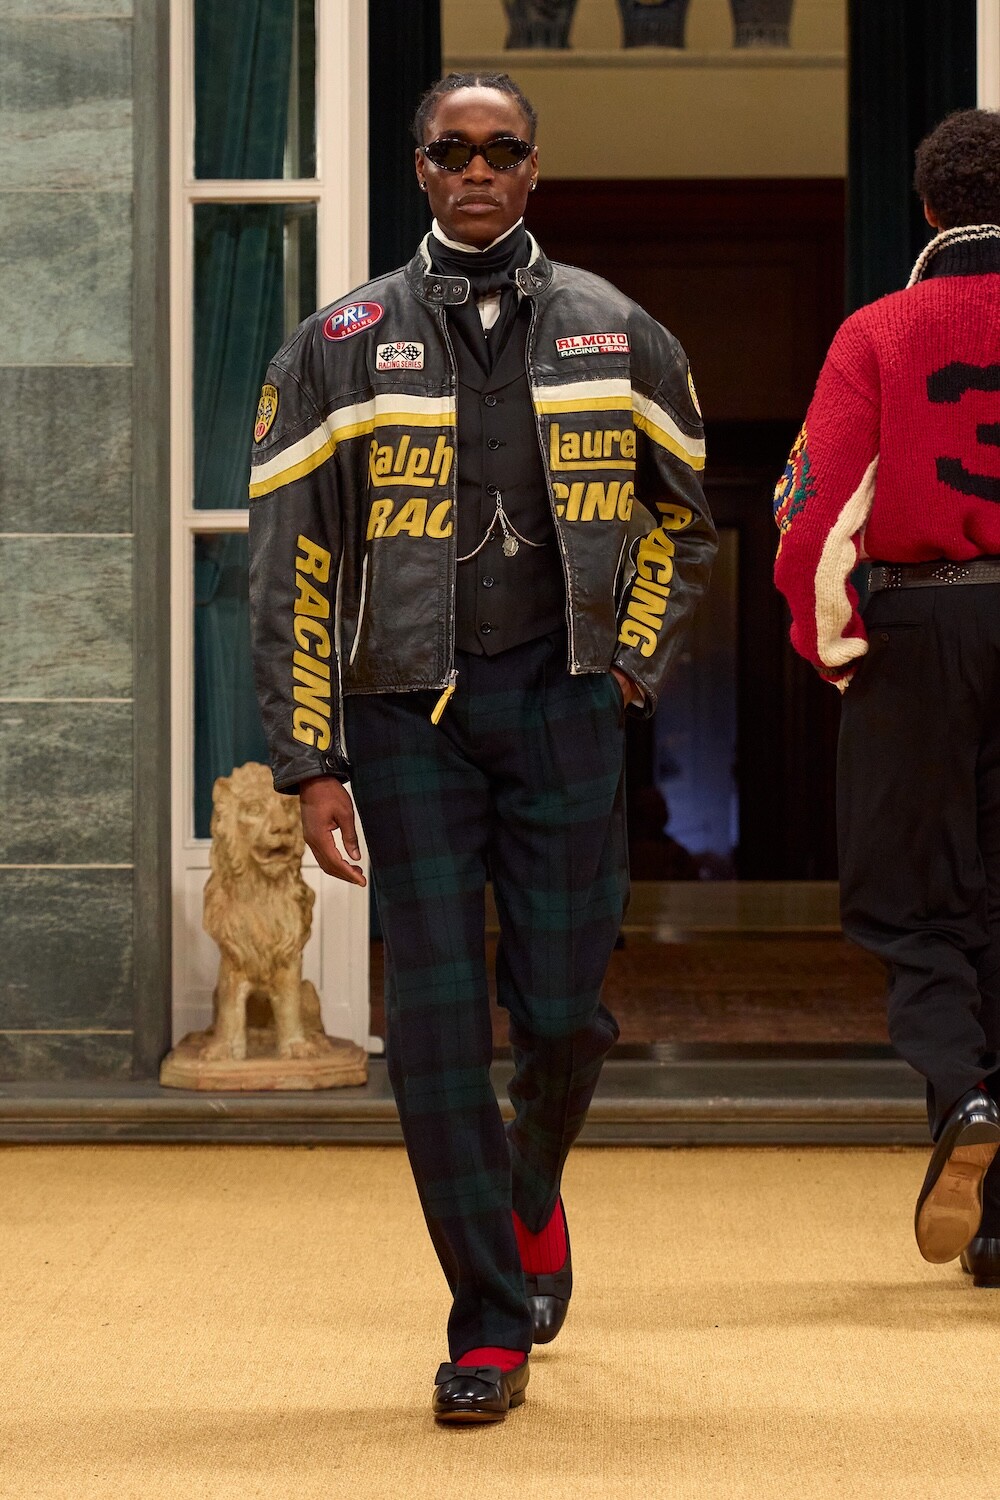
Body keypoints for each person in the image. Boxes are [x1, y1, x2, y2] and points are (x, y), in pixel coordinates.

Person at [248, 71, 715, 1420]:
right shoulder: (338, 343)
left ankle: (530, 1187)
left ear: (532, 169)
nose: (475, 171)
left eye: (499, 151)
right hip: (408, 720)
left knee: (564, 1015)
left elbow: (685, 521)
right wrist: (309, 756)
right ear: (418, 167)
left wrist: (629, 661)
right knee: (437, 1034)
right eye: (450, 150)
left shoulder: (619, 331)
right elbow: (289, 563)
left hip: (565, 704)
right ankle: (487, 1324)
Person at [772, 108, 1000, 1280]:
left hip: (920, 626)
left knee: (911, 901)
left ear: (925, 209)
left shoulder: (877, 330)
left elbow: (811, 515)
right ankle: (999, 1227)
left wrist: (834, 649)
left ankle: (962, 1096)